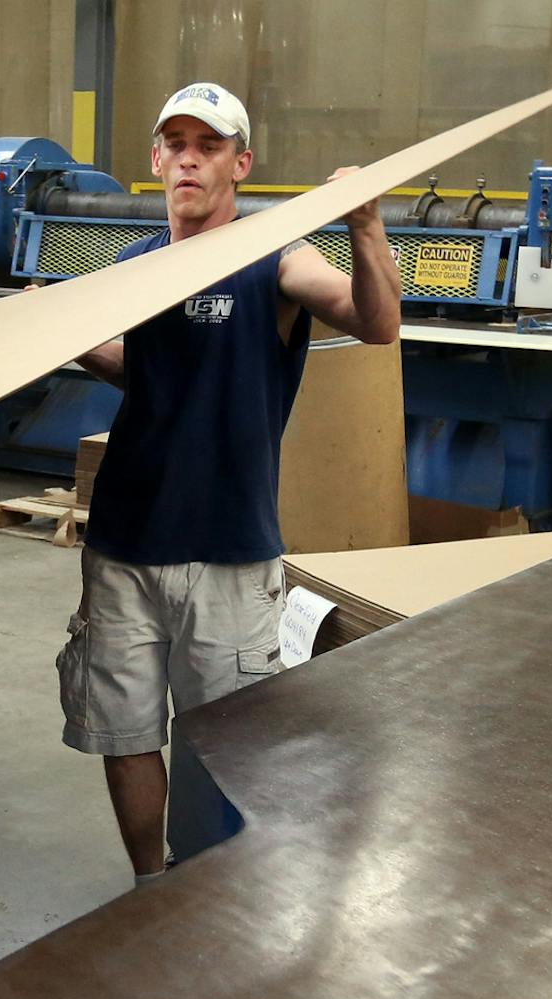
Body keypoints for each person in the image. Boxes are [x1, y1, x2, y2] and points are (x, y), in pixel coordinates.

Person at [61, 81, 401, 883]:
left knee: (227, 746)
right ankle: (150, 887)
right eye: (176, 144)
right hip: (124, 544)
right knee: (126, 735)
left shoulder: (277, 259)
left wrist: (366, 225)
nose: (189, 159)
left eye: (209, 146)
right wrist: (66, 337)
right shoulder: (133, 268)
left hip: (228, 552)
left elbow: (377, 322)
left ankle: (218, 898)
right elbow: (149, 378)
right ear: (155, 160)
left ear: (239, 165)